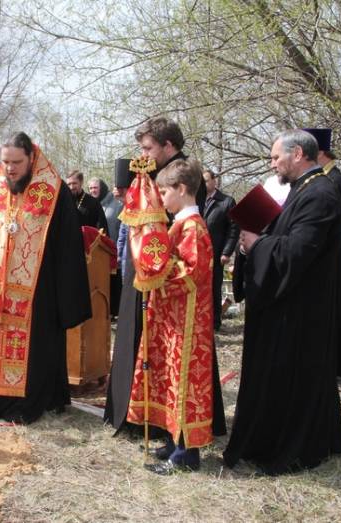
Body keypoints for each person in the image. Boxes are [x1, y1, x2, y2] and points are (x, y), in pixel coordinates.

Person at [223, 129, 341, 475]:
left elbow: (298, 251)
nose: (272, 162)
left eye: (276, 156)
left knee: (297, 379)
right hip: (289, 303)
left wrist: (256, 245)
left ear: (298, 155)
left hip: (302, 309)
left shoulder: (321, 194)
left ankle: (294, 447)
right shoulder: (302, 189)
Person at [0, 131, 91, 424]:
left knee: (35, 351)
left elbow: (68, 249)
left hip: (36, 296)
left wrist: (62, 298)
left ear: (32, 157)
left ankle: (29, 401)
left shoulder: (54, 192)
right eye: (5, 162)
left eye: (17, 162)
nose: (11, 169)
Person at [106, 119, 225, 438]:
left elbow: (175, 238)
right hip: (149, 270)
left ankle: (171, 427)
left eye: (148, 148)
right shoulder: (155, 173)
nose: (142, 154)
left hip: (164, 276)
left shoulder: (181, 176)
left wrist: (156, 269)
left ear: (168, 146)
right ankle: (145, 416)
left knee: (176, 362)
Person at [125, 159, 216, 475]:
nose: (161, 198)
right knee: (169, 381)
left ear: (181, 189)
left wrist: (159, 268)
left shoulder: (193, 228)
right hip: (172, 321)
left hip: (188, 324)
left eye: (164, 192)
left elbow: (191, 274)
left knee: (186, 385)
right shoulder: (178, 224)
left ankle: (186, 456)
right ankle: (172, 441)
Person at [304, 128, 341, 378]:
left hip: (331, 251)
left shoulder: (334, 179)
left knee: (331, 304)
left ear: (320, 152)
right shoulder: (324, 177)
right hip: (326, 249)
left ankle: (334, 363)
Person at [202, 169, 239, 331]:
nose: (203, 185)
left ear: (214, 181)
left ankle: (215, 322)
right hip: (198, 252)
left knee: (214, 287)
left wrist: (226, 252)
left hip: (216, 253)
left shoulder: (226, 201)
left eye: (206, 180)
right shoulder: (196, 200)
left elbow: (233, 230)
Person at [90, 175, 124, 317]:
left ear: (102, 188)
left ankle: (116, 312)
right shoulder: (92, 204)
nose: (92, 190)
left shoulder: (117, 204)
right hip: (98, 253)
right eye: (90, 188)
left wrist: (119, 251)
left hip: (114, 251)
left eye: (95, 187)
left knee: (115, 284)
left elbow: (122, 228)